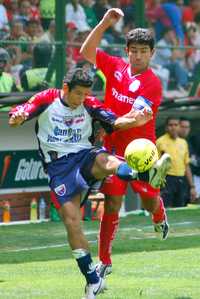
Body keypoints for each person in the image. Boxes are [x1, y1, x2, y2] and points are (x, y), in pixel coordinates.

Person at [8, 67, 170, 299]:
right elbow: (23, 111)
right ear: (66, 89)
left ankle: (145, 173)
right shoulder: (48, 99)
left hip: (85, 155)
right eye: (78, 94)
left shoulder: (90, 103)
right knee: (72, 221)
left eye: (86, 94)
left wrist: (135, 120)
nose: (83, 99)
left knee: (106, 161)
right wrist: (19, 116)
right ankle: (93, 280)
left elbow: (114, 122)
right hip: (58, 168)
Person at [80, 8, 171, 277]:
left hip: (142, 151)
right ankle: (105, 261)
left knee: (148, 200)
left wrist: (106, 124)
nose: (138, 54)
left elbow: (137, 119)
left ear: (151, 54)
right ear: (127, 50)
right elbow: (86, 51)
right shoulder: (115, 66)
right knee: (111, 204)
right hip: (113, 152)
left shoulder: (152, 83)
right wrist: (105, 23)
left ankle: (159, 214)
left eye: (144, 50)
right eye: (134, 50)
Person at [156, 116, 196, 208]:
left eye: (176, 125)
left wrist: (192, 186)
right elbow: (155, 165)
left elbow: (186, 166)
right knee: (164, 208)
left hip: (181, 179)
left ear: (179, 127)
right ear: (166, 127)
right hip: (166, 179)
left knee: (180, 207)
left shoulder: (183, 142)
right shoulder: (160, 142)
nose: (173, 127)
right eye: (170, 125)